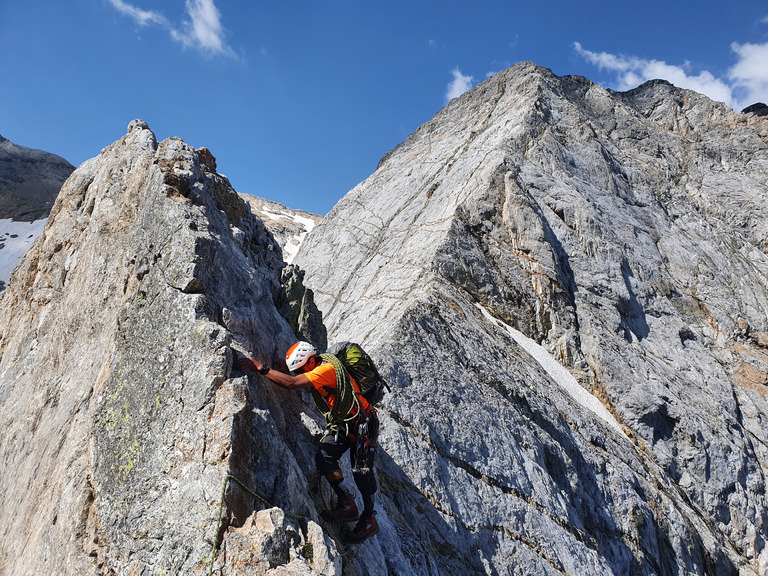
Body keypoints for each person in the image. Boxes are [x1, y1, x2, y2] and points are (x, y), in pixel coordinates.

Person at [235, 341, 380, 543]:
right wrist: (288, 369)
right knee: (324, 458)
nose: (300, 372)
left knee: (362, 475)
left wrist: (261, 368)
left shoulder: (326, 369)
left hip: (362, 425)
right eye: (298, 370)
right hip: (347, 424)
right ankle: (347, 503)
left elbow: (292, 384)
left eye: (301, 368)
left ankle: (369, 519)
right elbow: (301, 377)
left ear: (312, 360)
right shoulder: (321, 364)